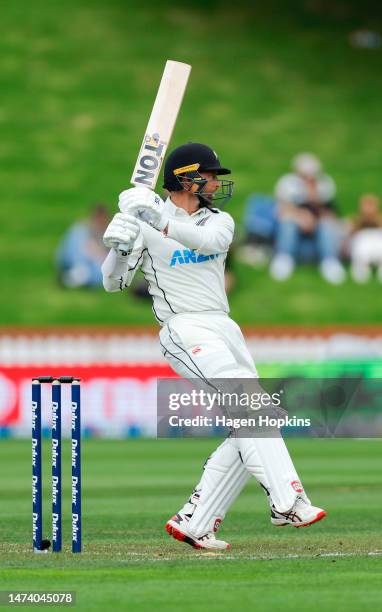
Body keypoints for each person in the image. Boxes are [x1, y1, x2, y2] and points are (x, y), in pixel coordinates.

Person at [101, 143, 326, 551]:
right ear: (187, 178)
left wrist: (158, 221)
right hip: (183, 328)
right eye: (211, 175)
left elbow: (205, 243)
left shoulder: (219, 221)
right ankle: (288, 500)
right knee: (250, 404)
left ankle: (195, 521)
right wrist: (119, 248)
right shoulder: (146, 223)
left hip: (224, 327)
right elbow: (113, 282)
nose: (218, 182)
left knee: (256, 416)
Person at [270, 153, 346, 284]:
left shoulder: (325, 185)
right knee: (288, 222)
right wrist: (301, 216)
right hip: (294, 230)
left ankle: (330, 261)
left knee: (327, 224)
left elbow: (331, 213)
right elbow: (280, 210)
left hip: (317, 234)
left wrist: (314, 198)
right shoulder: (287, 184)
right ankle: (284, 258)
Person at [347, 193, 382, 284]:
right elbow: (349, 233)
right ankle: (361, 267)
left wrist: (376, 220)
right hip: (363, 251)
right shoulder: (356, 220)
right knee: (361, 238)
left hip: (380, 249)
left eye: (371, 205)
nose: (369, 209)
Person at [56, 203, 109, 288]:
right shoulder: (81, 230)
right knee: (78, 232)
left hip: (94, 267)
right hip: (75, 261)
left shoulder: (107, 235)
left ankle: (78, 276)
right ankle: (79, 273)